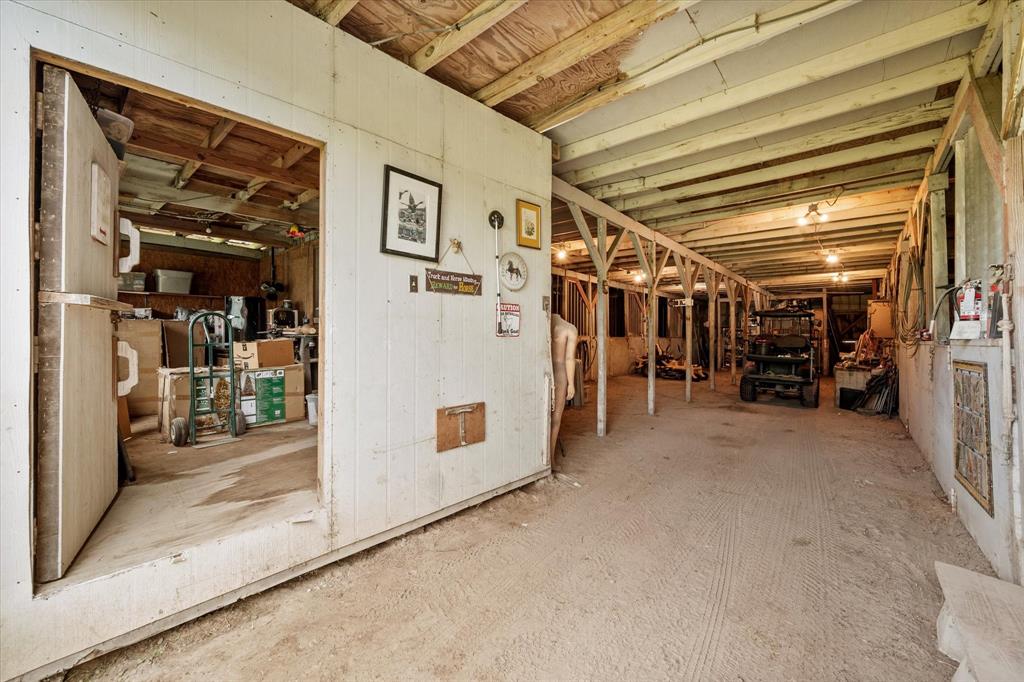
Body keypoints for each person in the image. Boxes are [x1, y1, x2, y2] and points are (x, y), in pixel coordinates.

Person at [550, 313, 578, 469]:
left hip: (543, 369)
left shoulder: (544, 323)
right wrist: (571, 383)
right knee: (556, 418)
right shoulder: (569, 329)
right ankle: (551, 459)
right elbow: (569, 359)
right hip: (559, 373)